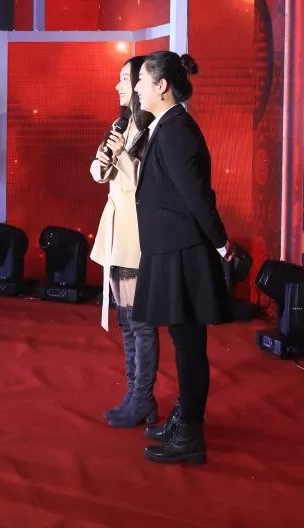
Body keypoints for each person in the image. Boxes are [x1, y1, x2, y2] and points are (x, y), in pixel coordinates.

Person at [132, 51, 233, 464]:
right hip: (169, 250)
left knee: (189, 346)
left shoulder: (176, 130)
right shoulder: (166, 126)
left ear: (162, 86)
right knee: (184, 342)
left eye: (142, 80)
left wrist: (221, 243)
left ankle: (190, 434)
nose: (136, 88)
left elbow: (196, 196)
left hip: (182, 253)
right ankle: (184, 419)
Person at [89, 57, 157, 428]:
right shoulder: (122, 125)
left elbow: (141, 184)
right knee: (126, 322)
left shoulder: (152, 129)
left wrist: (123, 156)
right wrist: (107, 156)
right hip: (116, 235)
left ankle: (142, 398)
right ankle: (134, 394)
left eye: (124, 79)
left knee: (140, 323)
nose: (118, 86)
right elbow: (98, 173)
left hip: (137, 238)